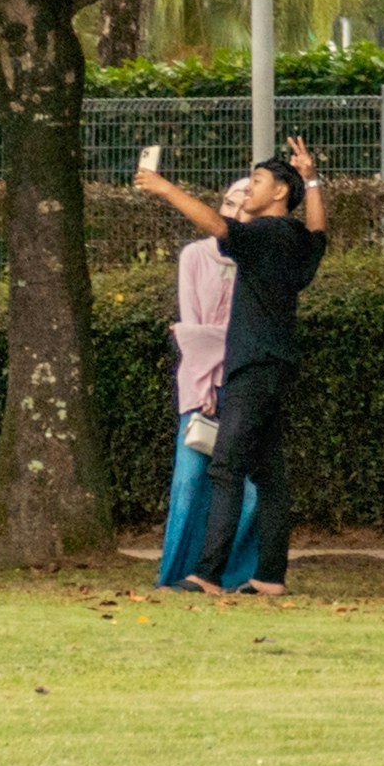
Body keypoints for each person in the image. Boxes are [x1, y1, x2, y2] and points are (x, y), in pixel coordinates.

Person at [133, 135, 328, 594]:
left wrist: (164, 188)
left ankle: (208, 575)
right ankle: (270, 579)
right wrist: (312, 179)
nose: (248, 191)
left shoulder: (266, 234)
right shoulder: (297, 240)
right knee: (270, 474)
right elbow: (320, 233)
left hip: (253, 364)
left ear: (279, 192)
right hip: (275, 363)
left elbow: (220, 228)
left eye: (256, 182)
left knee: (226, 468)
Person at [150, 183, 244, 591]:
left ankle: (238, 574)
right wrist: (205, 381)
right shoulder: (194, 256)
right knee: (190, 478)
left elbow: (245, 334)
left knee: (247, 483)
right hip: (198, 383)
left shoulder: (257, 260)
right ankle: (179, 570)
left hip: (242, 381)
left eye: (244, 205)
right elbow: (191, 330)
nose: (234, 211)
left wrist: (214, 339)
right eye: (228, 203)